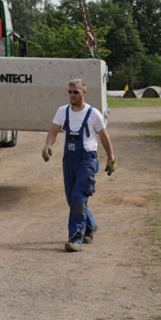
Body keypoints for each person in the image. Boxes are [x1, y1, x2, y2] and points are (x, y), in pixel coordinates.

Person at [42, 78, 116, 252]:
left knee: (78, 196)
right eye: (70, 92)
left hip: (87, 159)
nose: (72, 95)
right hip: (69, 159)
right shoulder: (62, 111)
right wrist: (48, 146)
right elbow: (53, 131)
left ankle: (76, 238)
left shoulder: (93, 114)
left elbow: (104, 137)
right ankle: (90, 225)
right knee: (72, 198)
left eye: (76, 92)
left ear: (84, 92)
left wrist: (111, 159)